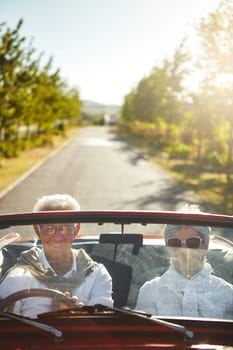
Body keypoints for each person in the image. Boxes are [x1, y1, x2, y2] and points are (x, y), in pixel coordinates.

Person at [0, 194, 113, 318]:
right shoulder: (17, 277)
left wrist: (78, 317)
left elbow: (102, 326)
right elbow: (7, 329)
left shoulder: (97, 274)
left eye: (65, 228)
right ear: (38, 230)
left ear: (75, 230)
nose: (58, 238)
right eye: (49, 229)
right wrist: (53, 317)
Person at [136, 204, 233, 319]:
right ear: (168, 247)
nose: (183, 250)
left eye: (192, 242)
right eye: (175, 243)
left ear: (205, 246)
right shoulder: (150, 291)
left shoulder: (227, 293)